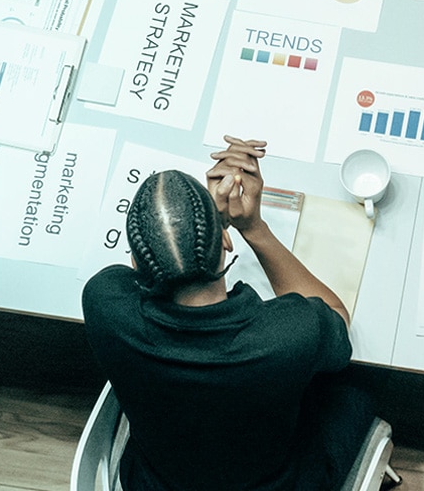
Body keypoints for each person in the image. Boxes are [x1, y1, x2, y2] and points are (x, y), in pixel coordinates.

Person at [82, 136, 371, 491]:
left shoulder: (104, 303)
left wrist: (201, 232)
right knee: (352, 388)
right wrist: (253, 227)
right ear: (227, 242)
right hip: (280, 483)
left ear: (135, 263)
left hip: (158, 481)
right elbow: (336, 316)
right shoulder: (288, 335)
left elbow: (137, 277)